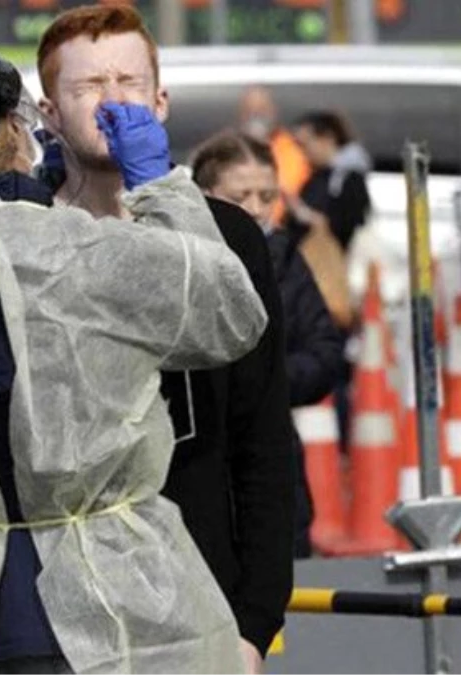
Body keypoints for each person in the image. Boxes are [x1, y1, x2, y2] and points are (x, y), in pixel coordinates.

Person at [0, 47, 266, 674]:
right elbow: (229, 313)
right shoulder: (81, 250)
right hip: (106, 600)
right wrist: (160, 184)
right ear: (20, 130)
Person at [36, 7, 294, 673]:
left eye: (129, 82)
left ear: (161, 101)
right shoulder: (23, 235)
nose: (113, 101)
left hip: (197, 593)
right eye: (88, 87)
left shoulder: (228, 236)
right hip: (57, 603)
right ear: (48, 113)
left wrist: (254, 622)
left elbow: (260, 438)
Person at [191, 130, 347, 558]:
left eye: (267, 196)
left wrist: (265, 383)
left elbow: (324, 352)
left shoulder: (283, 257)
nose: (256, 210)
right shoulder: (180, 261)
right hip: (196, 468)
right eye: (241, 196)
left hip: (272, 462)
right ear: (204, 195)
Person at [289, 110, 373, 252]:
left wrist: (303, 213)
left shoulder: (349, 179)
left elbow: (347, 223)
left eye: (305, 144)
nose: (302, 153)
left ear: (327, 138)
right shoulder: (318, 176)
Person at [238, 85, 310, 222]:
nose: (256, 115)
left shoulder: (291, 149)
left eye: (261, 109)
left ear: (273, 111)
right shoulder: (230, 148)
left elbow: (287, 190)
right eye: (250, 110)